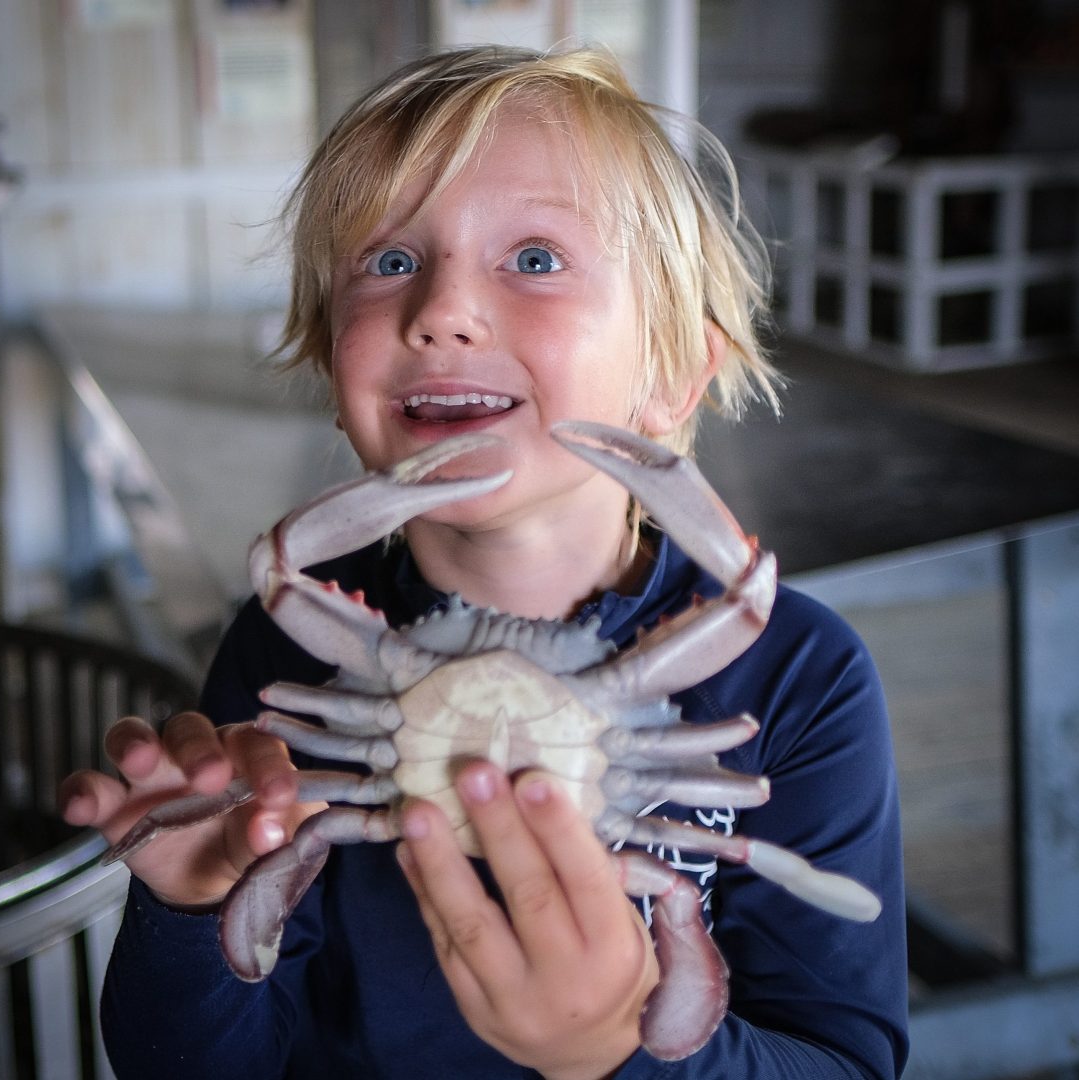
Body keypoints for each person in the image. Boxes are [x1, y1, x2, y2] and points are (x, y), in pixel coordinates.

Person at [59, 44, 908, 1080]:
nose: (440, 312)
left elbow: (842, 1058)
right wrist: (193, 909)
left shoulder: (797, 675)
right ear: (331, 363)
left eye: (536, 259)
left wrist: (617, 1047)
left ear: (675, 370)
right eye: (389, 261)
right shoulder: (286, 644)